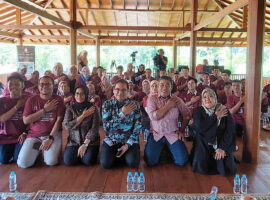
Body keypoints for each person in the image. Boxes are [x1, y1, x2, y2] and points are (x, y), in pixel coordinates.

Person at [17, 76, 65, 168]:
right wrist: (44, 110)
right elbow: (26, 120)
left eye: (47, 84)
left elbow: (59, 121)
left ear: (53, 86)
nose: (44, 86)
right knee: (23, 164)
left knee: (51, 162)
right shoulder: (31, 100)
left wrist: (50, 138)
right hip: (34, 135)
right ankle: (38, 152)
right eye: (42, 84)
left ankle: (43, 150)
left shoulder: (58, 100)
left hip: (52, 135)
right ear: (38, 86)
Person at [144, 76, 191, 167]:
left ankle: (168, 151)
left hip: (172, 134)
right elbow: (154, 116)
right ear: (158, 87)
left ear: (171, 87)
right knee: (150, 162)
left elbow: (187, 115)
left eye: (167, 85)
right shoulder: (152, 99)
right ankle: (163, 150)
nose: (164, 87)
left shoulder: (177, 100)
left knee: (182, 161)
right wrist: (169, 105)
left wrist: (181, 130)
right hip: (156, 134)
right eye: (161, 85)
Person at [191, 88, 236, 176]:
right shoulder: (198, 111)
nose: (207, 99)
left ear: (215, 98)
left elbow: (230, 130)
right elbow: (201, 127)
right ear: (202, 100)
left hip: (220, 142)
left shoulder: (223, 110)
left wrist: (222, 147)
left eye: (210, 96)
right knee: (202, 166)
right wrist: (215, 116)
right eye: (205, 97)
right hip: (203, 143)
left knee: (225, 168)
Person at [100, 79, 142, 169]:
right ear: (113, 90)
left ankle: (125, 154)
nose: (120, 92)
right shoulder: (107, 104)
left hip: (129, 140)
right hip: (111, 140)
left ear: (128, 91)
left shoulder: (135, 105)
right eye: (117, 89)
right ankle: (121, 156)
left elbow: (138, 127)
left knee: (133, 163)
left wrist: (127, 145)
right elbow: (106, 127)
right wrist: (122, 114)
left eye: (123, 90)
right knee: (105, 164)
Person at [63, 86, 100, 166]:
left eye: (82, 94)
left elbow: (94, 128)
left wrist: (85, 144)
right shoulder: (70, 108)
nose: (79, 96)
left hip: (90, 142)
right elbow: (67, 126)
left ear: (86, 94)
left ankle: (85, 153)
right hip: (74, 141)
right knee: (69, 161)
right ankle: (78, 153)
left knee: (88, 161)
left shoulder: (93, 108)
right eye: (77, 94)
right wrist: (83, 116)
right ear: (74, 95)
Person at [0, 73, 29, 164]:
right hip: (5, 136)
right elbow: (2, 119)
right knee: (3, 160)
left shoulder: (28, 99)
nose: (13, 87)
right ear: (7, 86)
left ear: (22, 85)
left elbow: (32, 120)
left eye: (17, 84)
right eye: (10, 84)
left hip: (21, 136)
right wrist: (17, 106)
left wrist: (25, 133)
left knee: (17, 159)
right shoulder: (2, 101)